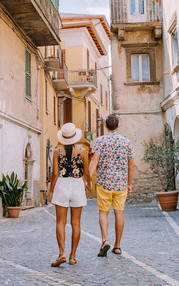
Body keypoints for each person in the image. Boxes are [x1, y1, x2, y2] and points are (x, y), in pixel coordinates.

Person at [89, 113, 134, 257]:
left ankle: (104, 241)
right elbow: (131, 166)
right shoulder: (126, 142)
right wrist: (129, 184)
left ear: (106, 126)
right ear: (118, 126)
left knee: (103, 212)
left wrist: (88, 178)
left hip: (104, 183)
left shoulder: (100, 141)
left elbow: (94, 161)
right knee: (119, 212)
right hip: (120, 183)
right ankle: (118, 246)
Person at [50, 122, 92, 267]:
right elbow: (86, 172)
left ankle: (62, 253)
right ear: (75, 137)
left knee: (60, 222)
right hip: (77, 185)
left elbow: (55, 173)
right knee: (76, 223)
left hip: (61, 185)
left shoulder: (56, 152)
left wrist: (51, 190)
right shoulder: (83, 152)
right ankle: (73, 256)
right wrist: (89, 183)